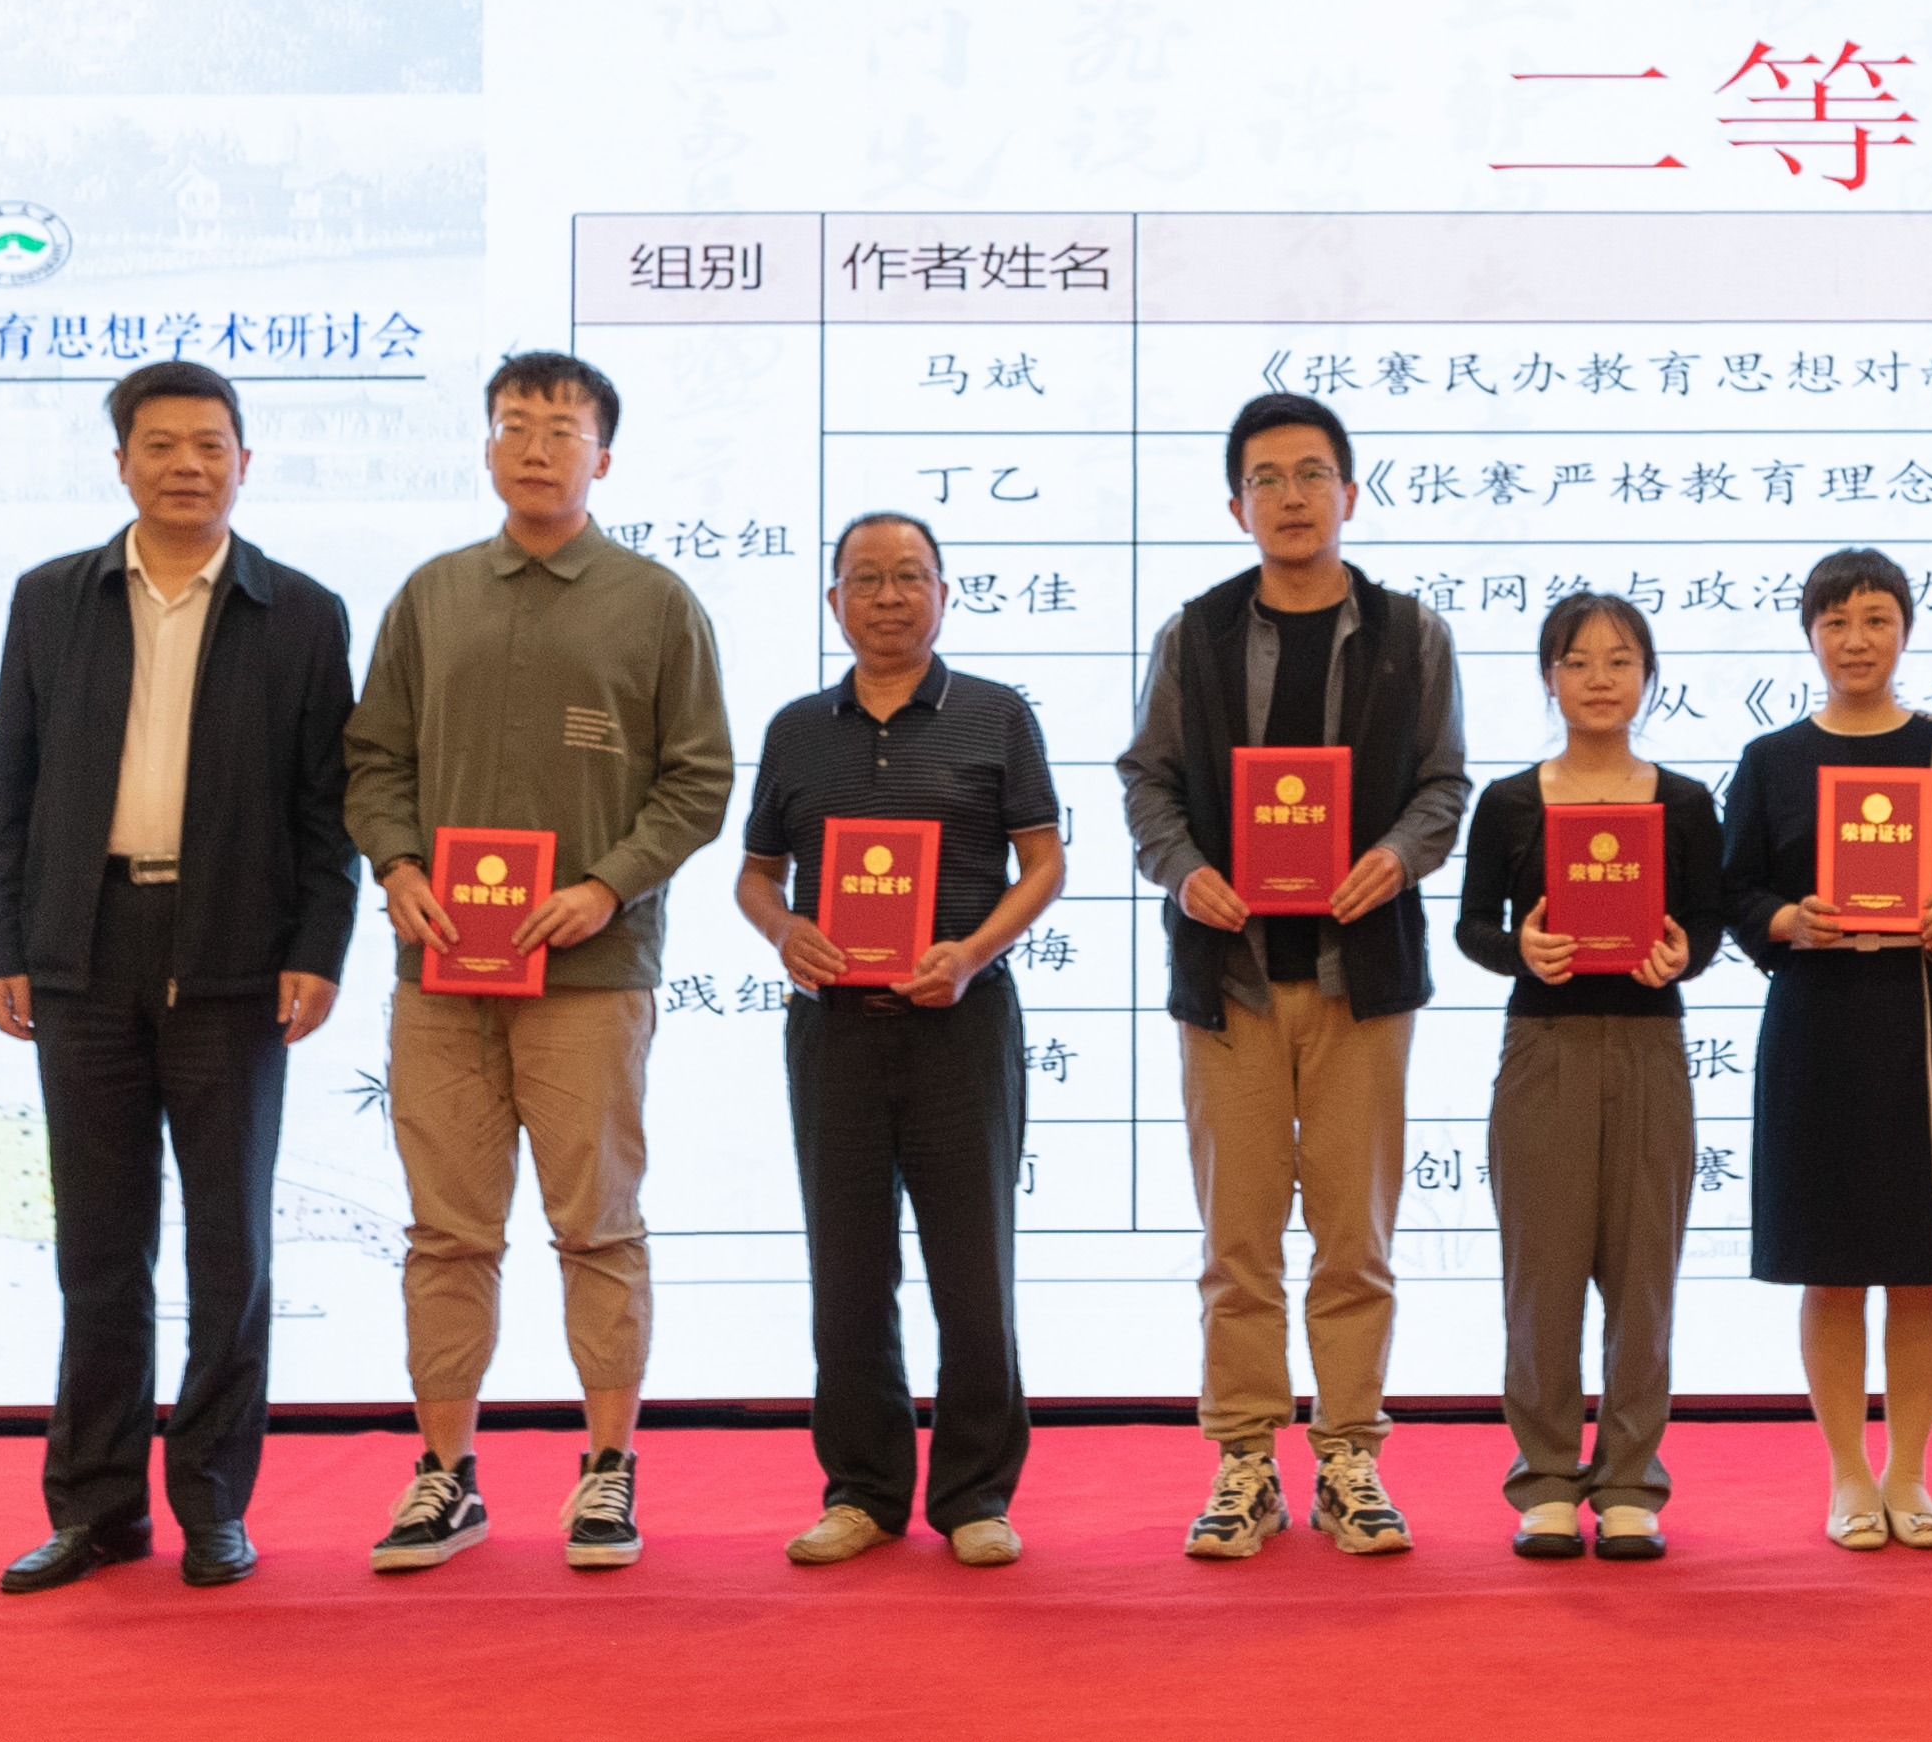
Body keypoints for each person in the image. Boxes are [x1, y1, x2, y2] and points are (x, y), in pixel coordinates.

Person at [345, 351, 735, 1573]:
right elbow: (374, 758)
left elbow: (699, 779)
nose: (535, 446)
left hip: (591, 971)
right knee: (446, 1232)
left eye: (561, 428)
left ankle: (608, 1466)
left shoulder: (655, 601)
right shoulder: (432, 594)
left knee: (597, 1226)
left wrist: (604, 883)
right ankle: (445, 1473)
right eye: (514, 424)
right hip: (443, 972)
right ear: (486, 446)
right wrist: (396, 865)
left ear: (601, 456)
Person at [0, 362, 358, 1595]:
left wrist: (318, 947)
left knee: (229, 1250)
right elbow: (10, 782)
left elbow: (327, 808)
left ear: (246, 461)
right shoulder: (51, 597)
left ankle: (213, 1503)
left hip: (234, 955)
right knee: (98, 1248)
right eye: (160, 443)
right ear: (121, 461)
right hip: (82, 948)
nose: (186, 463)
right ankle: (94, 1508)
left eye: (209, 443)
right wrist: (4, 943)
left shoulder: (301, 611)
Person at [1118, 392, 1471, 1560]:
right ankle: (1243, 1462)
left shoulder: (1412, 633)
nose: (1290, 495)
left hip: (1360, 977)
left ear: (1349, 493)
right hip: (1231, 979)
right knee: (1238, 1240)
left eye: (1311, 473)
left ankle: (1350, 1454)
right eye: (1264, 478)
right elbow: (1147, 780)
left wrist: (1396, 856)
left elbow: (1443, 785)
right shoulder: (1194, 634)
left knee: (1354, 1237)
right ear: (1236, 506)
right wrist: (1185, 873)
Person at [733, 512, 1065, 1570]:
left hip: (962, 1023)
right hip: (833, 1031)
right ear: (834, 600)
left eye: (910, 575)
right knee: (847, 1269)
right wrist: (783, 930)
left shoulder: (996, 715)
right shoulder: (797, 728)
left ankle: (975, 1493)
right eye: (866, 578)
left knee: (974, 1268)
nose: (888, 596)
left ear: (944, 593)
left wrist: (970, 952)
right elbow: (756, 873)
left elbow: (1045, 863)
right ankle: (863, 1492)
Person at [1719, 547, 1932, 1553]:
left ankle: (1910, 1472)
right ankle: (1848, 1471)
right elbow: (1734, 891)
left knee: (1923, 1265)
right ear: (1809, 634)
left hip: (1926, 1022)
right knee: (1831, 1263)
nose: (1856, 640)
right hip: (1816, 1023)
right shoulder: (1771, 758)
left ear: (1905, 631)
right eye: (1836, 621)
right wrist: (1784, 920)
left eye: (1876, 619)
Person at [1453, 592, 1722, 1563]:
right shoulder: (1510, 801)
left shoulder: (1683, 802)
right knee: (1543, 1279)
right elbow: (1473, 925)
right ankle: (1545, 1481)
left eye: (1619, 660)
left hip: (1649, 1050)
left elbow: (1706, 928)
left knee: (1644, 1279)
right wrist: (1520, 949)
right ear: (1548, 677)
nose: (1599, 678)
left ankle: (1630, 1484)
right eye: (1577, 661)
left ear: (1648, 676)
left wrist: (1682, 956)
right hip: (1545, 1049)